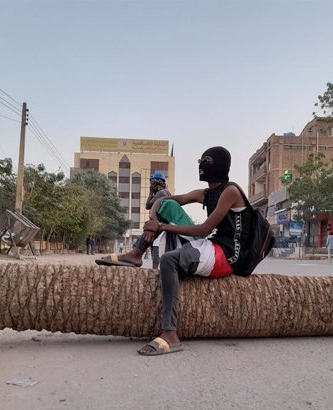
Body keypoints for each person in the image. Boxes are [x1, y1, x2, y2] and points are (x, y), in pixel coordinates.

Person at [96, 146, 252, 356]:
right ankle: (136, 254)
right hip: (213, 245)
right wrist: (153, 219)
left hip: (230, 255)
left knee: (169, 261)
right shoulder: (206, 193)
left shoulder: (231, 191)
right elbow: (163, 201)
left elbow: (204, 229)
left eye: (206, 161)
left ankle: (170, 334)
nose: (200, 165)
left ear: (219, 165)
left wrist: (161, 227)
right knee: (168, 207)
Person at [146, 172, 171, 269]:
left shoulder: (161, 193)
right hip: (163, 226)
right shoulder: (166, 192)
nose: (150, 185)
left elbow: (148, 205)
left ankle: (155, 271)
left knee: (156, 250)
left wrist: (150, 192)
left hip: (160, 227)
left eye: (152, 183)